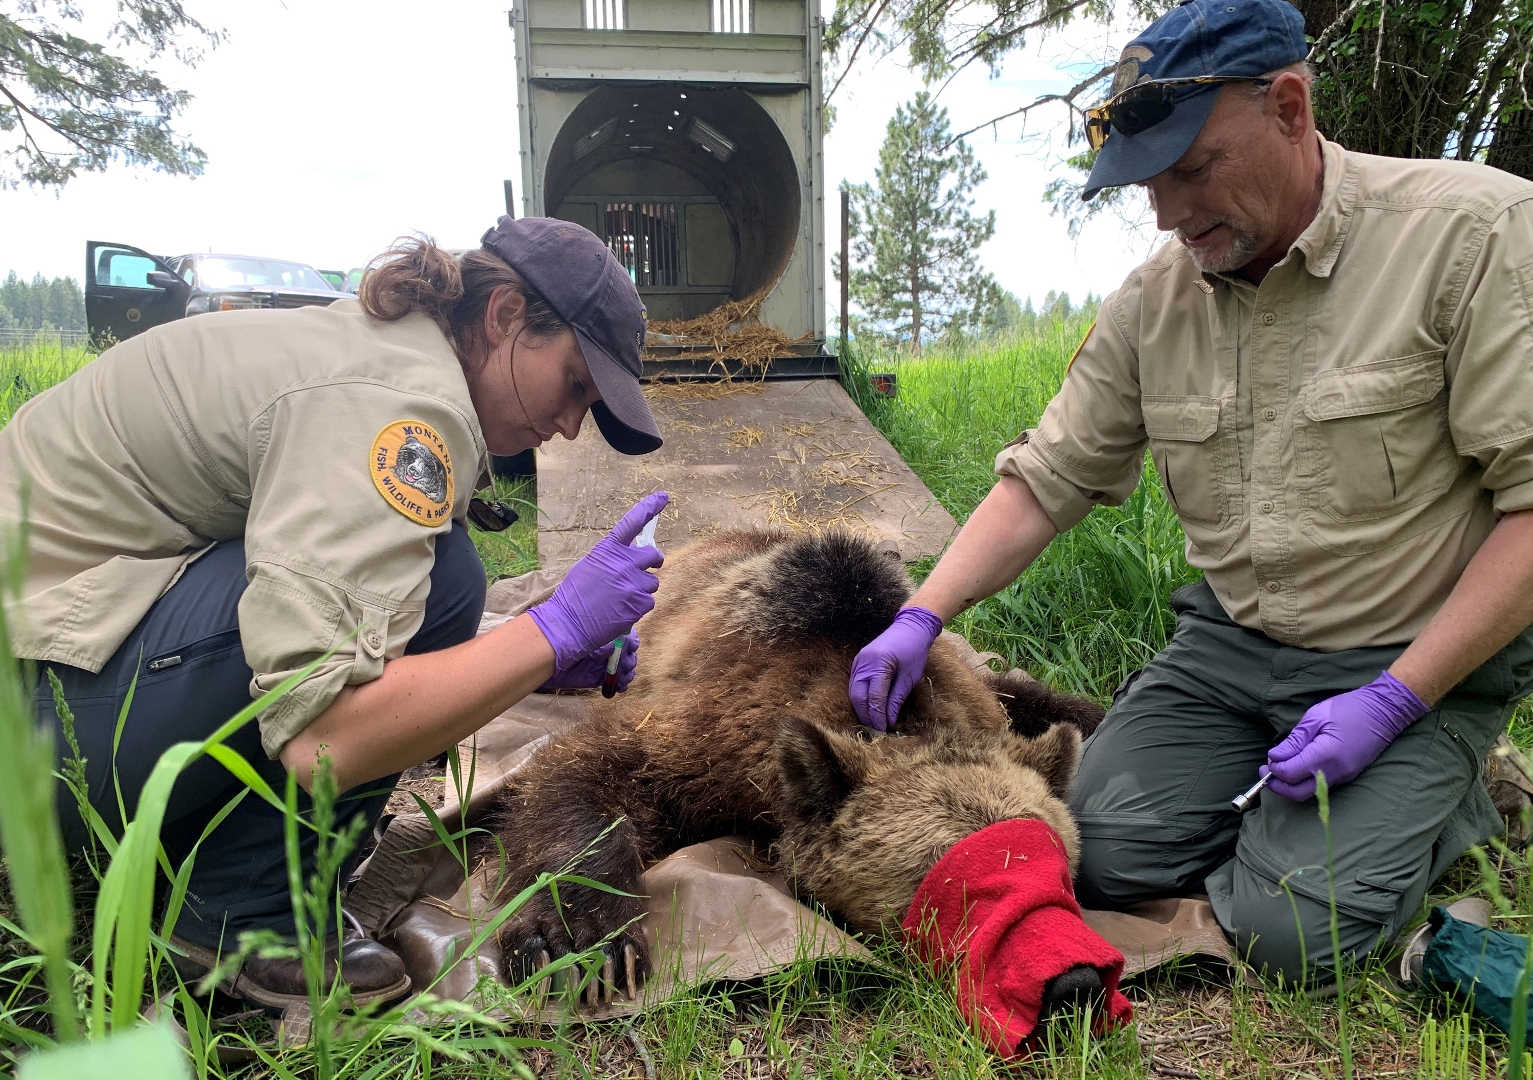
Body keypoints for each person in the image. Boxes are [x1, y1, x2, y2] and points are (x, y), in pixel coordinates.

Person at [849, 0, 1533, 984]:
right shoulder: (1152, 301)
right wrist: (921, 614)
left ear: (1290, 107)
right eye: (1147, 185)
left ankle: (1460, 790)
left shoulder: (1473, 236)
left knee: (1288, 936)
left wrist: (1390, 702)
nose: (1168, 213)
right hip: (1230, 652)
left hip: (1410, 658)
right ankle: (1299, 820)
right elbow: (1046, 483)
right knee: (1094, 851)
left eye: (1193, 168)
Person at [3, 217, 672, 1009]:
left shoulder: (383, 351)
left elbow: (342, 600)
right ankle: (246, 916)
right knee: (445, 582)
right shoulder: (396, 406)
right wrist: (548, 629)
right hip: (43, 736)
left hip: (63, 672)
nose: (568, 426)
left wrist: (534, 656)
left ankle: (202, 872)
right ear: (504, 318)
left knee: (436, 586)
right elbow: (324, 739)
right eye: (573, 385)